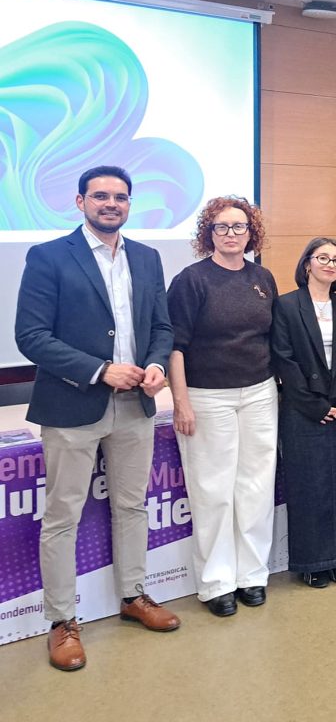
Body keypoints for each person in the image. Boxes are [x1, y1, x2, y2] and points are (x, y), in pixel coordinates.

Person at [15, 165, 180, 671]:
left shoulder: (147, 257)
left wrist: (156, 365)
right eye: (101, 196)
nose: (112, 204)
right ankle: (62, 621)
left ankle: (133, 595)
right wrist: (100, 370)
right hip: (71, 405)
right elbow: (31, 336)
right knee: (62, 516)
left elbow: (161, 327)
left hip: (136, 407)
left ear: (130, 204)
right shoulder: (48, 257)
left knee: (132, 506)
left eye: (121, 197)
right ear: (80, 201)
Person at [167, 196, 279, 616]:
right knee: (213, 491)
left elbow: (270, 337)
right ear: (208, 233)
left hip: (259, 393)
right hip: (207, 396)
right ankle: (216, 583)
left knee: (255, 488)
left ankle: (252, 575)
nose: (231, 234)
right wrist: (181, 401)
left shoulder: (262, 277)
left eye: (239, 227)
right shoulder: (191, 280)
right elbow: (175, 346)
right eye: (221, 227)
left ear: (251, 233)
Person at [271, 238, 336, 588]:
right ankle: (314, 562)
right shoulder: (286, 306)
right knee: (310, 488)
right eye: (323, 257)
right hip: (304, 411)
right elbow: (284, 360)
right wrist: (316, 406)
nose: (330, 264)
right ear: (307, 264)